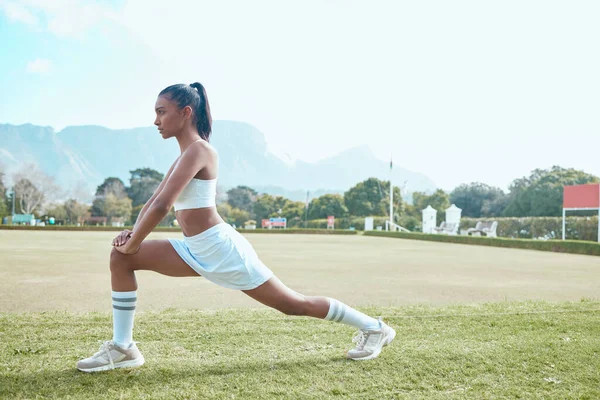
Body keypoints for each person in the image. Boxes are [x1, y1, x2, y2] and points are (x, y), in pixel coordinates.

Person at [76, 83, 395, 373]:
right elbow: (154, 200)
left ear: (186, 113)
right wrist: (131, 239)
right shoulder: (185, 154)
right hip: (194, 248)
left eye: (161, 112)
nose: (156, 120)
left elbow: (162, 206)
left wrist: (135, 241)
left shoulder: (200, 150)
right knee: (121, 258)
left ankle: (375, 328)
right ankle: (123, 348)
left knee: (293, 304)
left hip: (221, 249)